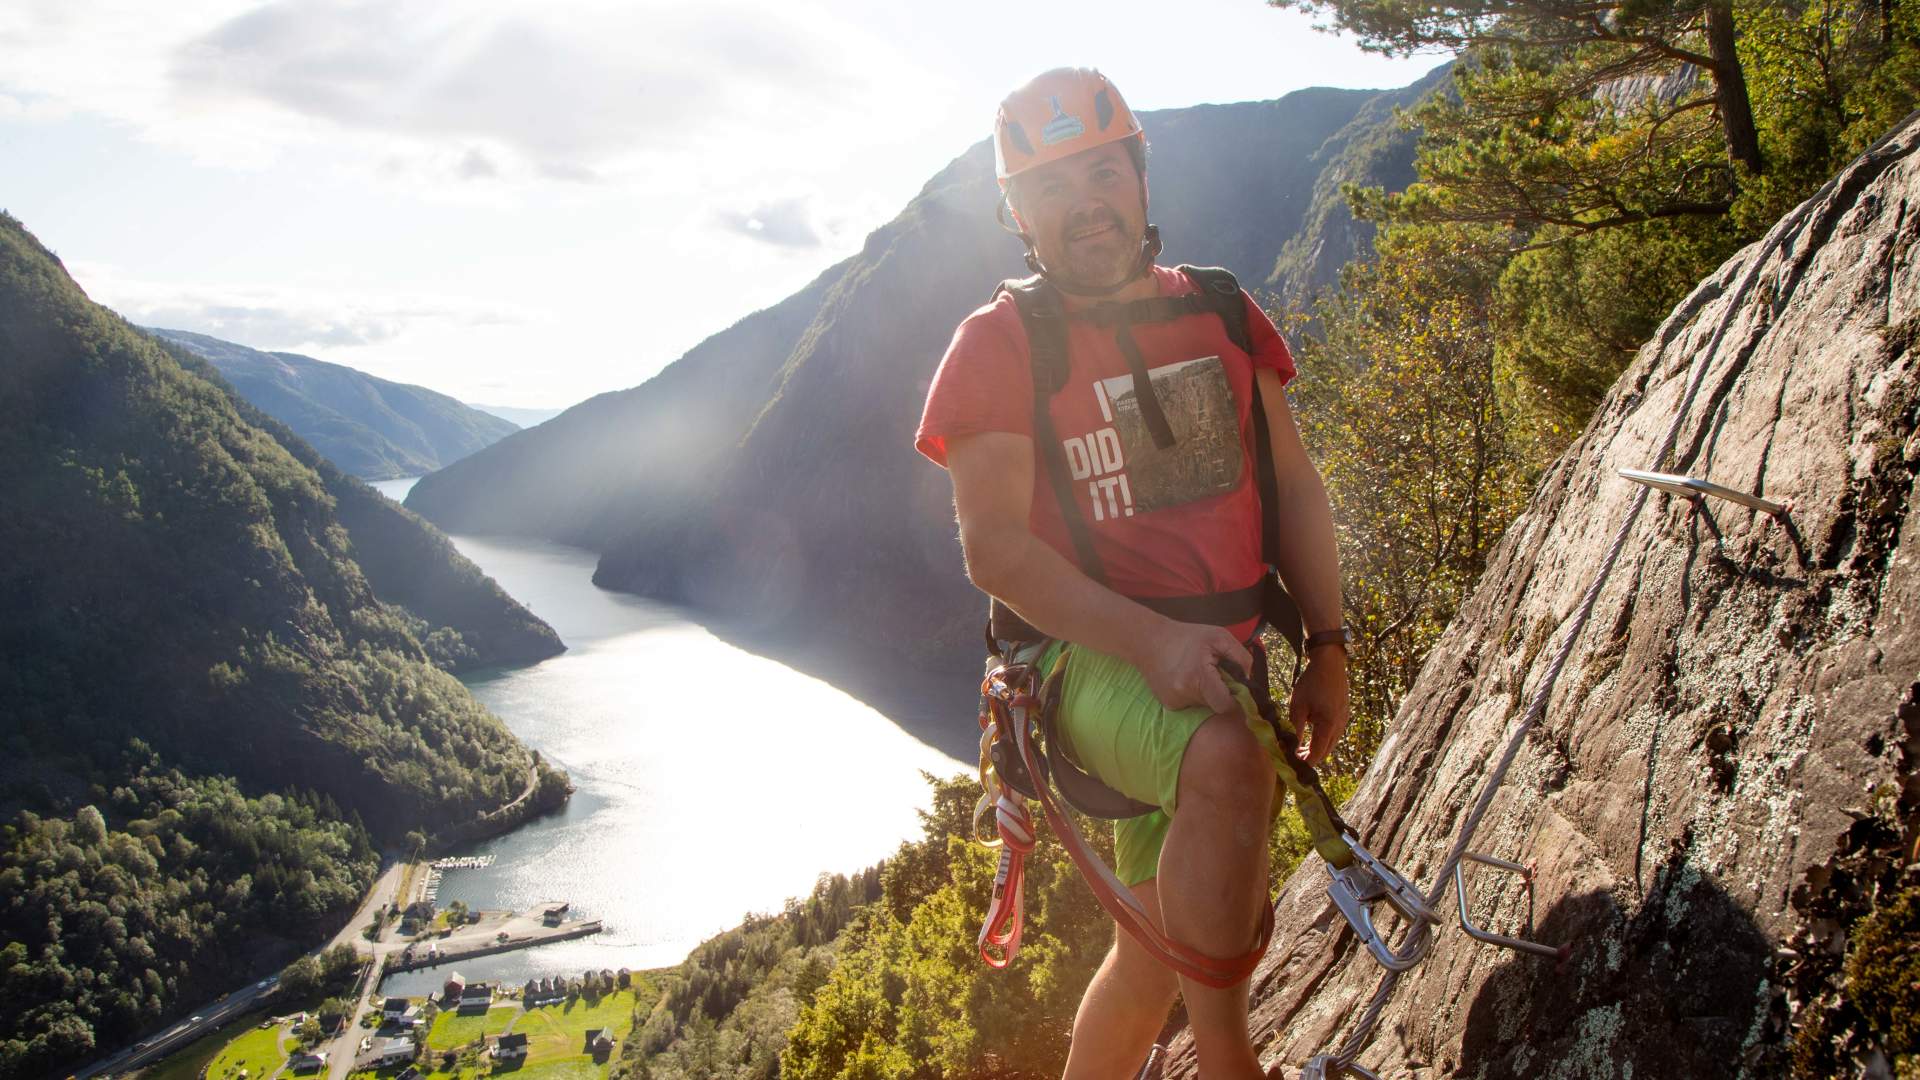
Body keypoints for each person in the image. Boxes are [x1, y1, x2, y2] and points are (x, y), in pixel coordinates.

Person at [914, 68, 1355, 1079]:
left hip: (1221, 662)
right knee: (1224, 762)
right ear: (1018, 213)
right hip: (1087, 666)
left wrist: (1327, 646)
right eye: (1052, 189)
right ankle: (1233, 1070)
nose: (1086, 206)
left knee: (1151, 953)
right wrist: (1153, 642)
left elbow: (1292, 491)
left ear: (1141, 181)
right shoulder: (1000, 345)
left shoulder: (1223, 315)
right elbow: (996, 548)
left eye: (1103, 174)